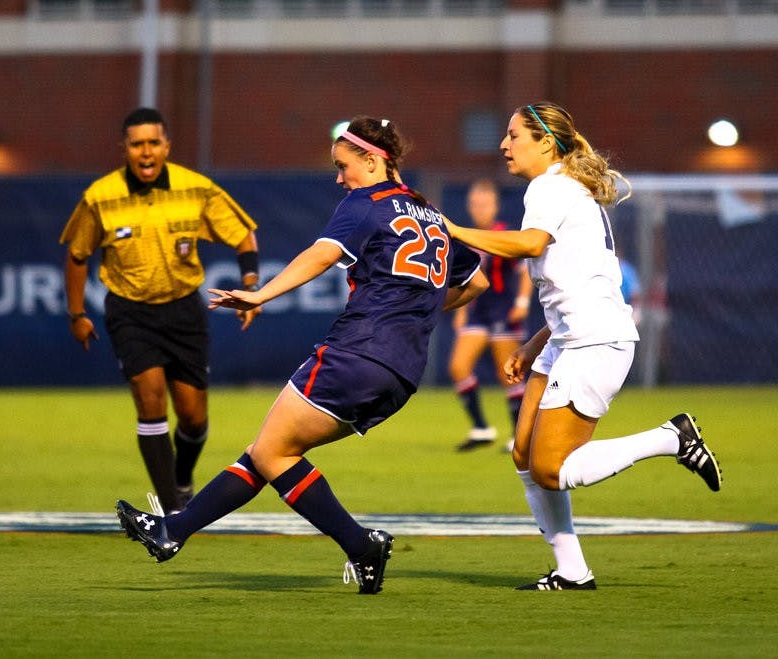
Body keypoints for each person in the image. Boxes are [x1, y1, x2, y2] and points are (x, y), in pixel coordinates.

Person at [116, 116, 488, 594]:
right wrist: (416, 309)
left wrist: (261, 294)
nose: (339, 178)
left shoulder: (366, 202)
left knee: (272, 451)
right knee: (270, 450)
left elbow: (322, 253)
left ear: (373, 161)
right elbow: (474, 281)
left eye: (343, 166)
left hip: (357, 353)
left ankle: (359, 544)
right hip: (402, 374)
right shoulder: (431, 212)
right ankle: (173, 531)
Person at [442, 101, 721, 590]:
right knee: (524, 456)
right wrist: (533, 344)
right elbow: (578, 284)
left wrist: (454, 230)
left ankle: (672, 438)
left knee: (551, 470)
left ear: (546, 141)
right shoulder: (560, 188)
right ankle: (572, 571)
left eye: (513, 136)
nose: (504, 145)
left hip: (596, 341)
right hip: (570, 337)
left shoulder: (551, 186)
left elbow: (529, 245)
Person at [60, 107, 262, 514]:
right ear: (124, 149)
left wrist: (251, 285)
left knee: (193, 418)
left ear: (167, 146)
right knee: (150, 402)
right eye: (137, 144)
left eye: (154, 142)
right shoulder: (100, 197)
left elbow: (243, 234)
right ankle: (173, 514)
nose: (146, 152)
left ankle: (181, 479)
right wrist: (77, 315)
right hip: (130, 312)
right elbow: (78, 255)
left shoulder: (196, 188)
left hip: (184, 312)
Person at [448, 179, 534, 453]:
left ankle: (519, 436)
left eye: (484, 203)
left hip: (504, 310)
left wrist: (522, 302)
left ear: (495, 206)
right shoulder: (468, 238)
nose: (479, 209)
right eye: (474, 204)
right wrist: (461, 310)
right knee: (458, 367)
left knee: (508, 373)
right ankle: (481, 428)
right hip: (477, 311)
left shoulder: (504, 234)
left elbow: (525, 271)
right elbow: (464, 279)